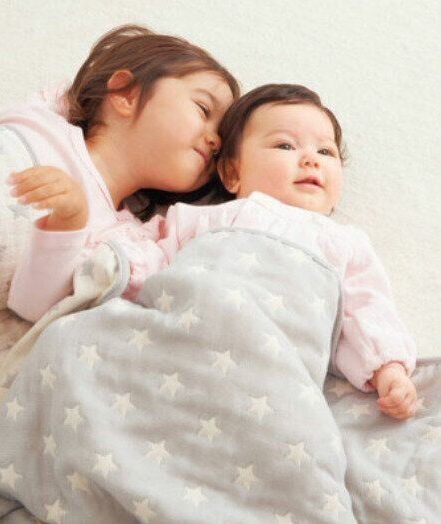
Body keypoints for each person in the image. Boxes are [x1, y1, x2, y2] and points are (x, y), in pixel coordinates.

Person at [96, 84, 418, 420]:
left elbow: (366, 308)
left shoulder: (342, 242)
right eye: (285, 145)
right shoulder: (204, 220)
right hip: (181, 349)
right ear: (232, 173)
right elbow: (150, 265)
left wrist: (388, 369)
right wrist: (115, 266)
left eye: (326, 152)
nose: (311, 159)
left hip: (273, 381)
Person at [0, 24, 239, 322]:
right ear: (126, 93)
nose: (215, 140)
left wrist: (69, 223)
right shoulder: (38, 120)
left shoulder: (119, 240)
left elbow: (31, 308)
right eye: (203, 109)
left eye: (222, 142)